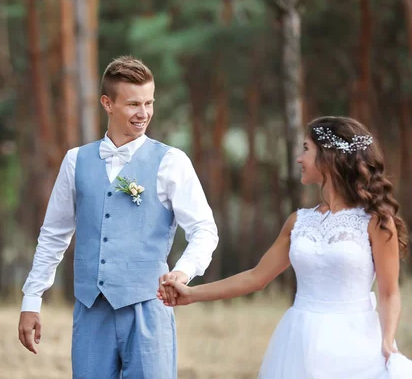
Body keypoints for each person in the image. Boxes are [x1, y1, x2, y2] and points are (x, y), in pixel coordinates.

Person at [159, 116, 412, 378]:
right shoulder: (299, 222)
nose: (299, 159)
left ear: (329, 156)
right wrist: (191, 294)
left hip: (357, 344)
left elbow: (389, 293)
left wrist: (387, 340)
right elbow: (256, 277)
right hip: (300, 342)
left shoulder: (376, 222)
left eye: (306, 149)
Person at [18, 56, 219, 378]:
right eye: (133, 104)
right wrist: (31, 299)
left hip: (148, 307)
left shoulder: (171, 161)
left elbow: (204, 230)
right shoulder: (75, 161)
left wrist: (182, 272)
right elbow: (54, 234)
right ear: (107, 103)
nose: (144, 114)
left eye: (149, 102)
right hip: (90, 309)